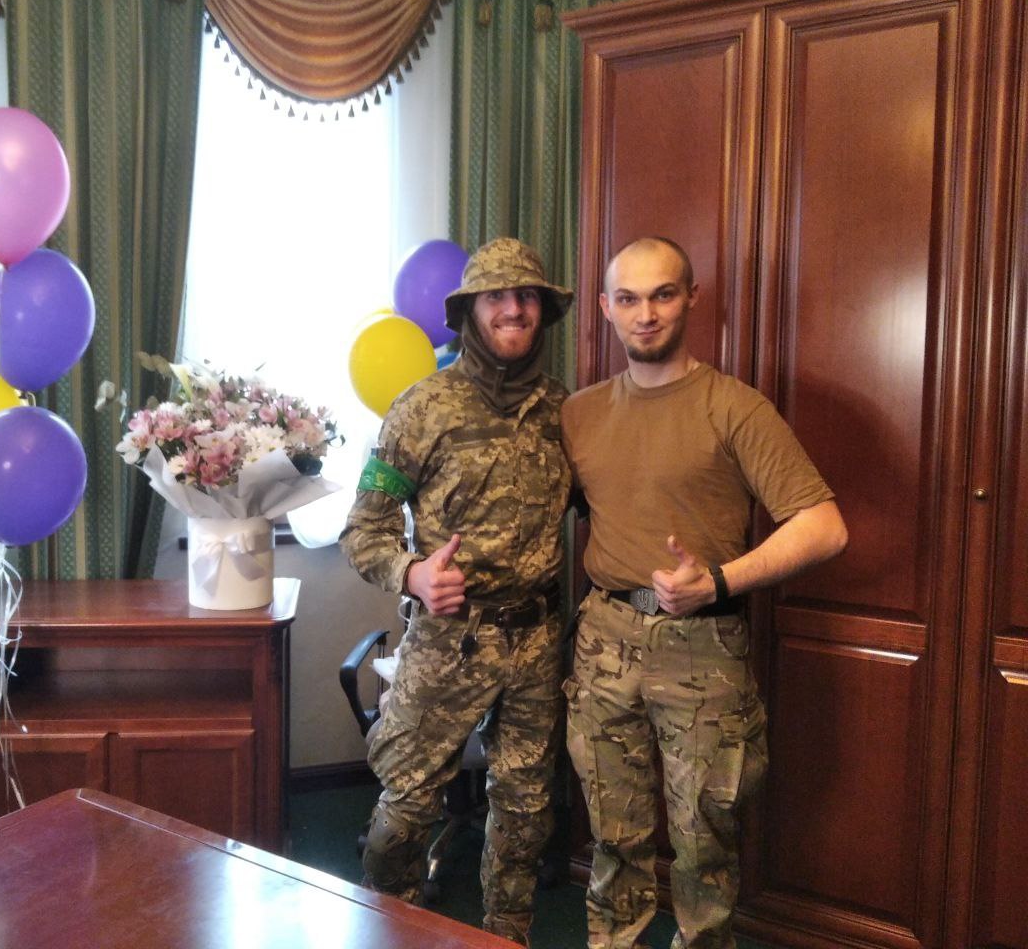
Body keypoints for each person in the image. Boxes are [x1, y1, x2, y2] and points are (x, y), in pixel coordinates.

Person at [561, 236, 848, 949]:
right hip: (604, 639)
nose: (646, 314)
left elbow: (825, 526)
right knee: (612, 832)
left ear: (691, 298)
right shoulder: (579, 414)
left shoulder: (736, 408)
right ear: (605, 308)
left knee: (704, 840)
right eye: (628, 299)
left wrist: (718, 580)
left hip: (703, 645)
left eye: (663, 294)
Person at [339, 237, 574, 946]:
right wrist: (413, 573)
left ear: (543, 311)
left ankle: (507, 936)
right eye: (496, 297)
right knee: (403, 814)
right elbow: (364, 529)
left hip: (536, 641)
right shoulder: (420, 409)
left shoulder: (566, 412)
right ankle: (394, 931)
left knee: (525, 816)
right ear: (470, 311)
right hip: (449, 640)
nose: (513, 309)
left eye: (526, 296)